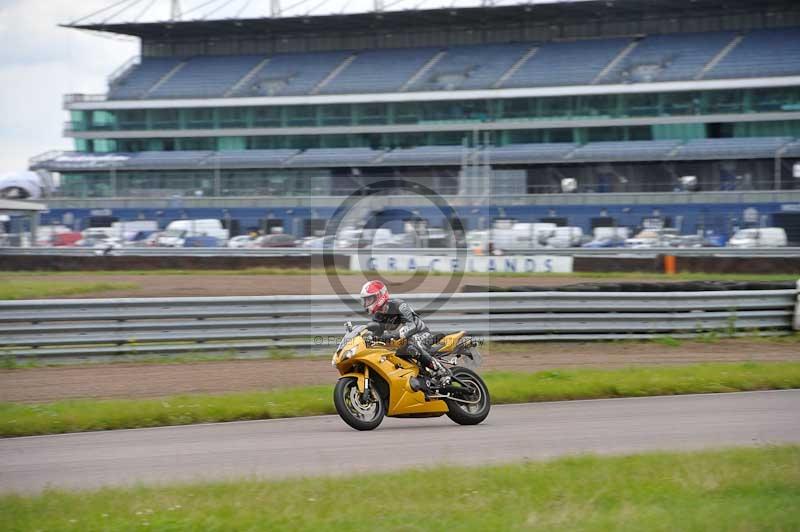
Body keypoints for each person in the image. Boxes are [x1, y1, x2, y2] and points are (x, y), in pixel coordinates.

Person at [359, 280, 452, 388]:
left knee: (411, 346)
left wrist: (396, 335)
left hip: (420, 334)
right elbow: (377, 336)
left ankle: (441, 371)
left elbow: (411, 326)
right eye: (365, 300)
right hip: (401, 341)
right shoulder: (378, 316)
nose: (366, 303)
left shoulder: (399, 305)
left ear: (379, 296)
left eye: (369, 299)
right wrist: (368, 339)